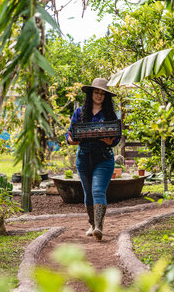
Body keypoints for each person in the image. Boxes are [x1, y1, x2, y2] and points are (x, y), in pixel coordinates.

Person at [66, 78, 120, 241]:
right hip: (83, 158)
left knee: (97, 190)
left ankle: (98, 227)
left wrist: (111, 141)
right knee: (88, 194)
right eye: (97, 92)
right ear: (91, 93)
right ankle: (92, 223)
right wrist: (71, 140)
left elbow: (116, 138)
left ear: (106, 96)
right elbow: (69, 135)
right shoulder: (79, 113)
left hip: (103, 157)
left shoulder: (111, 114)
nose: (99, 95)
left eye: (103, 93)